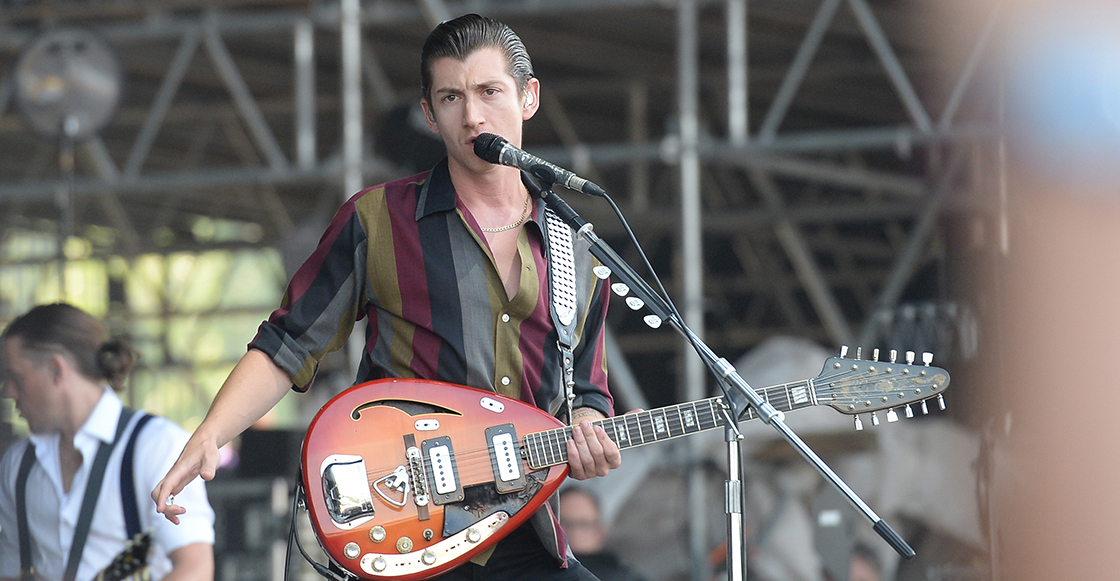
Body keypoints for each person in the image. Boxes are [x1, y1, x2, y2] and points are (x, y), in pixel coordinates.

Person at [152, 13, 622, 580]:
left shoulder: (576, 248)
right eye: (451, 98)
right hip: (403, 524)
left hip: (524, 531)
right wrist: (210, 434)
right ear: (429, 114)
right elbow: (289, 343)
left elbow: (585, 390)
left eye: (490, 92)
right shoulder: (378, 220)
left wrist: (589, 430)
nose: (473, 116)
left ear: (529, 97)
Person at [0, 303, 214, 581]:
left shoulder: (156, 446)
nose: (7, 392)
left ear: (56, 369)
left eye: (16, 378)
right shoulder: (17, 464)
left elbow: (195, 569)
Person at [559, 487, 646, 581]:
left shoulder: (624, 577)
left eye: (583, 524)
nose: (574, 533)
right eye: (565, 524)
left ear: (600, 531)